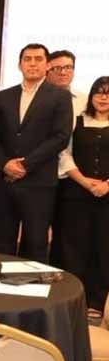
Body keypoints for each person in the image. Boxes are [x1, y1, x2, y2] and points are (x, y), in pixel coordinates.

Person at [0, 43, 72, 260]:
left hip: (39, 184)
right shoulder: (4, 96)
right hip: (5, 182)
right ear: (20, 65)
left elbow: (60, 137)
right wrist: (5, 164)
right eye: (27, 59)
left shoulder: (60, 97)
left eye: (38, 59)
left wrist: (25, 165)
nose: (32, 64)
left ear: (47, 65)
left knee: (35, 244)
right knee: (2, 242)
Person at [56, 77, 109, 315]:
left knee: (103, 246)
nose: (103, 97)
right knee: (75, 247)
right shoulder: (77, 120)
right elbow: (64, 155)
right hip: (77, 194)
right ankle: (74, 300)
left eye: (108, 93)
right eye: (98, 92)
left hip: (107, 196)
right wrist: (86, 182)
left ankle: (97, 302)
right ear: (91, 96)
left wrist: (106, 185)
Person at [49, 50, 85, 267]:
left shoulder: (84, 101)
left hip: (73, 178)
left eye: (68, 67)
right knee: (36, 233)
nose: (63, 72)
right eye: (57, 68)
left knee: (67, 234)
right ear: (48, 70)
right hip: (41, 175)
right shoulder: (39, 99)